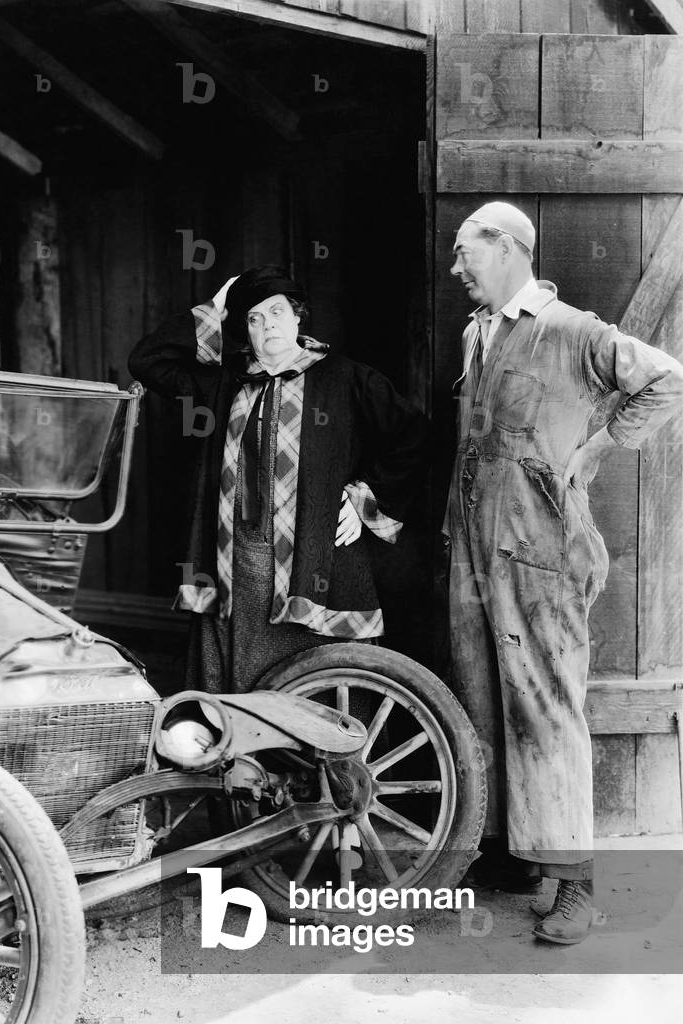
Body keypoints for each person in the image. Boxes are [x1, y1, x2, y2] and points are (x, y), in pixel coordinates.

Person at [445, 202, 683, 944]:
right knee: (483, 697)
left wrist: (596, 450)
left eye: (466, 253)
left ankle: (575, 880)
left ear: (508, 248)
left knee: (548, 706)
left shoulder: (574, 331)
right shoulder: (477, 332)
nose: (456, 268)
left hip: (541, 547)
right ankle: (523, 857)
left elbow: (667, 379)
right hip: (474, 550)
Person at [129, 266, 427, 694]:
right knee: (242, 678)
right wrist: (215, 308)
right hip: (238, 561)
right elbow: (147, 360)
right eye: (253, 318)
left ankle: (312, 757)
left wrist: (364, 500)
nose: (268, 324)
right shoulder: (223, 381)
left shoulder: (345, 379)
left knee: (316, 679)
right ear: (244, 330)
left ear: (298, 317)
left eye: (277, 312)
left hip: (314, 556)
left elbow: (414, 436)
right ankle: (246, 754)